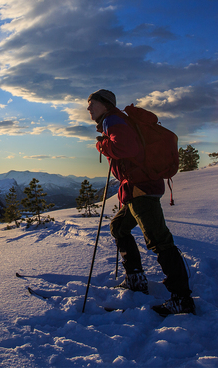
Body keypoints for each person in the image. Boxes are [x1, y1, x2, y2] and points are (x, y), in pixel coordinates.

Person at [87, 89, 194, 315]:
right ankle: (135, 278)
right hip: (138, 188)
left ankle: (182, 299)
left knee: (159, 241)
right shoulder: (115, 120)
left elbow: (127, 148)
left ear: (105, 105)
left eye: (92, 104)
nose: (88, 108)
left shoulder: (113, 120)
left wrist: (102, 145)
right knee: (118, 227)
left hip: (141, 189)